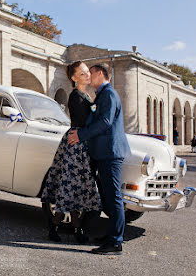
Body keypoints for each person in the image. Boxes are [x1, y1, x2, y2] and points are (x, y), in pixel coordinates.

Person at [68, 63, 131, 255]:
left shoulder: (109, 94)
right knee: (107, 197)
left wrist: (81, 135)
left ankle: (115, 243)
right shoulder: (102, 95)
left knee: (114, 197)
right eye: (85, 73)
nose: (89, 76)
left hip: (110, 152)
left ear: (101, 74)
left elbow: (105, 122)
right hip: (103, 152)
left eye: (91, 73)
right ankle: (111, 235)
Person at [40, 61, 102, 243]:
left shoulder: (85, 94)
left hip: (81, 142)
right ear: (74, 78)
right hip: (76, 144)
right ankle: (60, 227)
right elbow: (82, 121)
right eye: (83, 74)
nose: (87, 75)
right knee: (70, 187)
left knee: (76, 188)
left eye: (87, 72)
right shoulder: (76, 96)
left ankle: (73, 228)